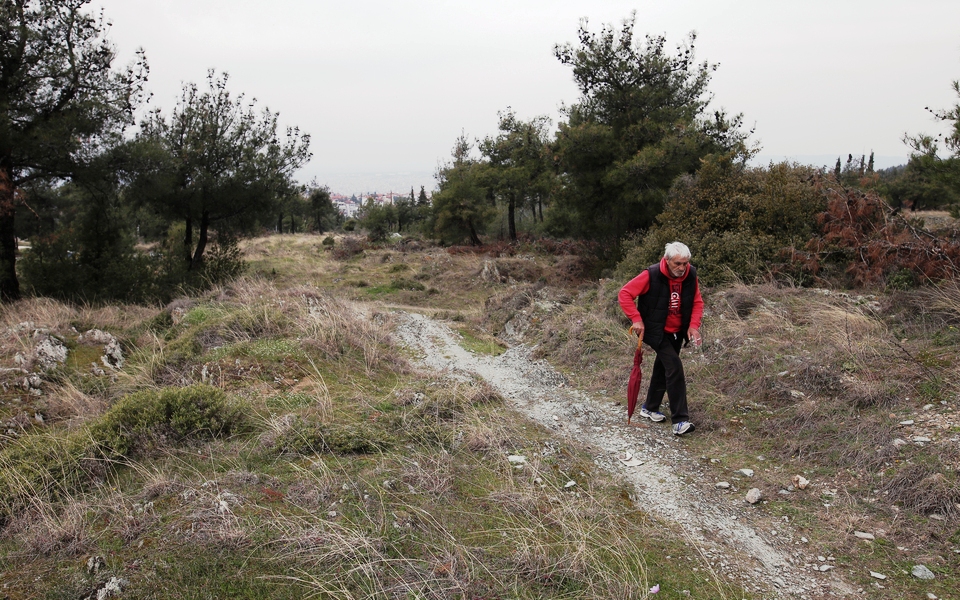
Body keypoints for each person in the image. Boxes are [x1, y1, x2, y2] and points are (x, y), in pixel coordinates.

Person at [618, 242, 704, 435]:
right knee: (674, 366)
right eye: (677, 263)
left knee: (663, 367)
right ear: (667, 260)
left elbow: (697, 301)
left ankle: (650, 407)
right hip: (656, 331)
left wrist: (693, 326)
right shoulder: (651, 274)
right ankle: (680, 421)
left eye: (685, 263)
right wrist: (637, 319)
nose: (682, 268)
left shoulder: (690, 274)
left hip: (677, 331)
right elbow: (625, 294)